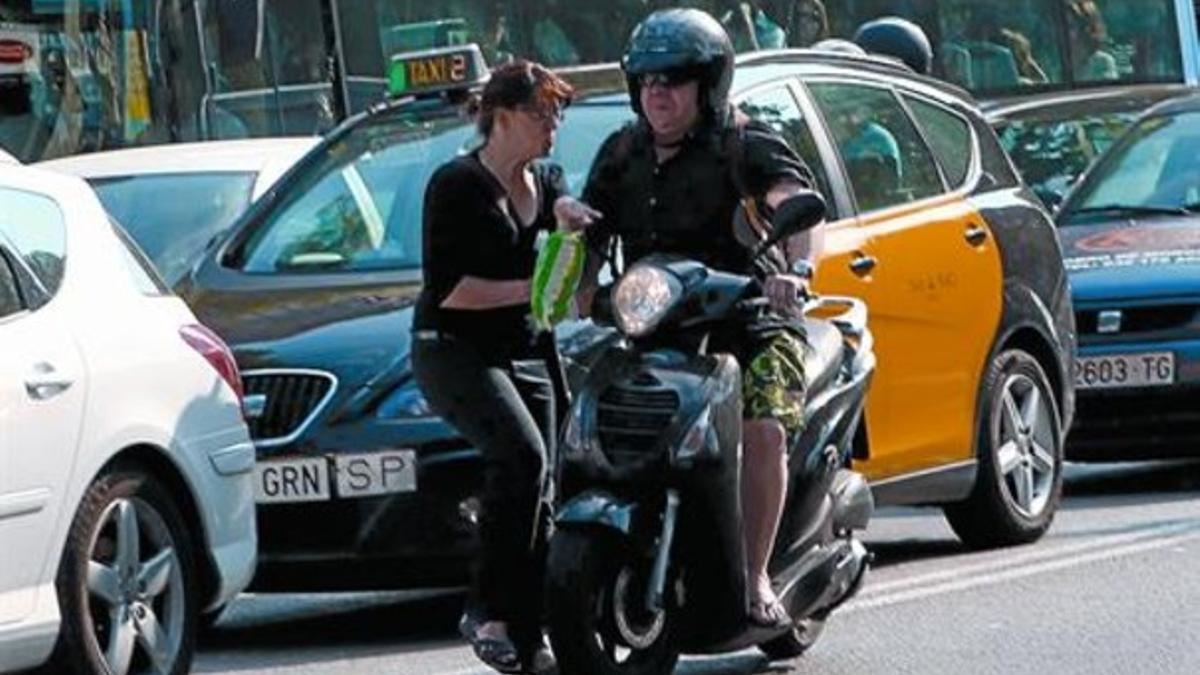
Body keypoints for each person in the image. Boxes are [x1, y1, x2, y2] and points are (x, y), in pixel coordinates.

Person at [560, 8, 823, 628]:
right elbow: (590, 234)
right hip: (655, 326)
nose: (657, 93)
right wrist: (576, 279)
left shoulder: (744, 142)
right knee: (583, 410)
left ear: (707, 86)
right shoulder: (621, 153)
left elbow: (798, 207)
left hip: (750, 321)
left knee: (764, 426)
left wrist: (797, 272)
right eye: (647, 80)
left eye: (673, 79)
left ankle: (755, 575)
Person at [411, 60, 592, 674]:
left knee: (547, 482)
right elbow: (453, 290)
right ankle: (485, 609)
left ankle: (527, 631)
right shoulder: (457, 185)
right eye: (544, 114)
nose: (554, 125)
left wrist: (571, 230)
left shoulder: (547, 179)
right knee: (521, 455)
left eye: (559, 114)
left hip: (525, 347)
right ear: (504, 116)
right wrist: (537, 292)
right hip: (454, 348)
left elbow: (565, 244)